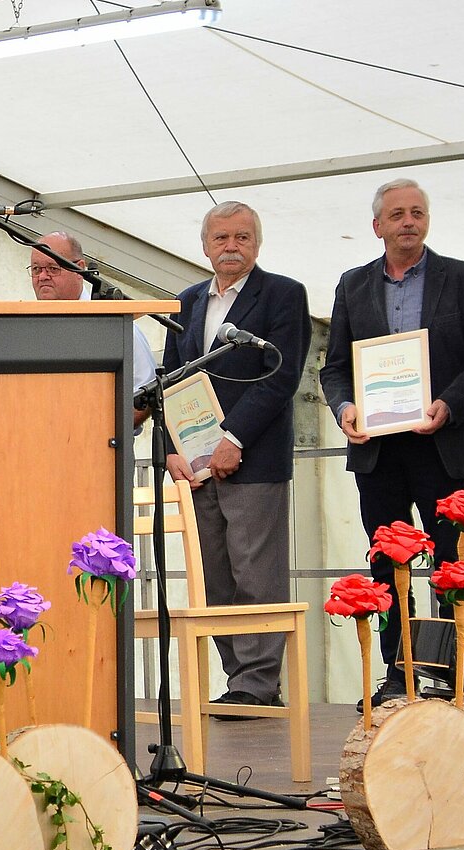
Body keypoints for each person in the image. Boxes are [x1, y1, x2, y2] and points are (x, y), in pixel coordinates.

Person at [321, 180, 464, 708]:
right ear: (377, 225)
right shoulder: (352, 285)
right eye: (396, 214)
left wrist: (448, 404)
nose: (408, 222)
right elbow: (334, 368)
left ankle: (455, 668)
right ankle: (399, 675)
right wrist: (344, 408)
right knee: (387, 562)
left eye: (417, 212)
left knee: (450, 560)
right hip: (378, 449)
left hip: (440, 442)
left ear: (428, 220)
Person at [162, 201, 311, 716]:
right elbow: (168, 382)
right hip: (197, 468)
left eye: (242, 237)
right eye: (222, 237)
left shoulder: (284, 295)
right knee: (214, 576)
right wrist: (170, 452)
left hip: (254, 459)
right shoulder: (186, 302)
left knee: (256, 572)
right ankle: (237, 680)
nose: (232, 246)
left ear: (257, 243)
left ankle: (259, 683)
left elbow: (281, 375)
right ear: (205, 245)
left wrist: (235, 438)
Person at [29, 231, 158, 415]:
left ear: (79, 269)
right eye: (36, 269)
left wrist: (103, 433)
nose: (42, 277)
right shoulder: (24, 330)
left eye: (52, 268)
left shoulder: (115, 327)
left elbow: (147, 393)